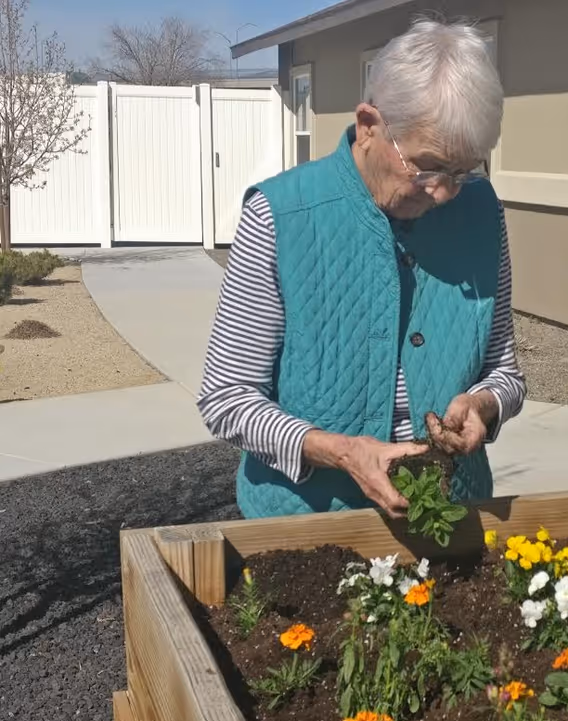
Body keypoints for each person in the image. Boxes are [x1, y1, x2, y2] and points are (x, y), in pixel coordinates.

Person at [197, 18, 526, 520]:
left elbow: (504, 372)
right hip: (308, 528)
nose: (446, 192)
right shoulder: (279, 215)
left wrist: (485, 405)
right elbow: (227, 397)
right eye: (429, 167)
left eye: (464, 170)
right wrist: (342, 452)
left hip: (449, 515)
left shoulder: (482, 212)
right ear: (370, 124)